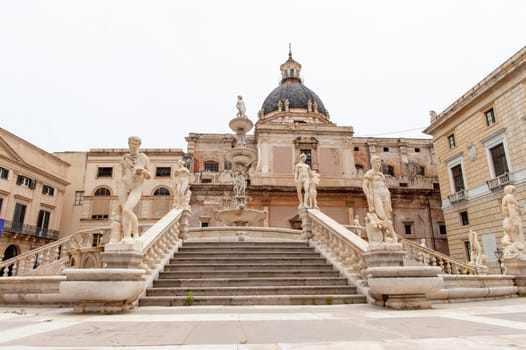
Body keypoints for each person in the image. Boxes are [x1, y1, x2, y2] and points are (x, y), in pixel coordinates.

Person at [118, 136, 151, 241]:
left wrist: (143, 171)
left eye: (135, 144)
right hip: (124, 185)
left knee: (128, 209)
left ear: (139, 145)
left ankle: (136, 234)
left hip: (136, 187)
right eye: (130, 143)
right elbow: (122, 173)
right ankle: (126, 237)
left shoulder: (143, 158)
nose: (132, 146)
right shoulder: (124, 158)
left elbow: (149, 175)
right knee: (124, 212)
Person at [362, 155, 397, 240]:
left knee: (386, 215)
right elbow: (364, 185)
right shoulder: (370, 173)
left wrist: (388, 194)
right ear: (373, 163)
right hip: (376, 195)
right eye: (377, 162)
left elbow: (384, 186)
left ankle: (385, 236)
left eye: (379, 162)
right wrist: (368, 195)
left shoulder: (381, 175)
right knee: (381, 215)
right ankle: (393, 234)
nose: (378, 164)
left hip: (385, 195)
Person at [501, 185, 524, 255]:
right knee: (518, 243)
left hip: (506, 221)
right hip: (511, 222)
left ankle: (511, 255)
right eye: (515, 190)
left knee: (510, 241)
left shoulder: (504, 198)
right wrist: (516, 223)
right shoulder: (510, 197)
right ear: (512, 191)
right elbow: (511, 211)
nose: (516, 192)